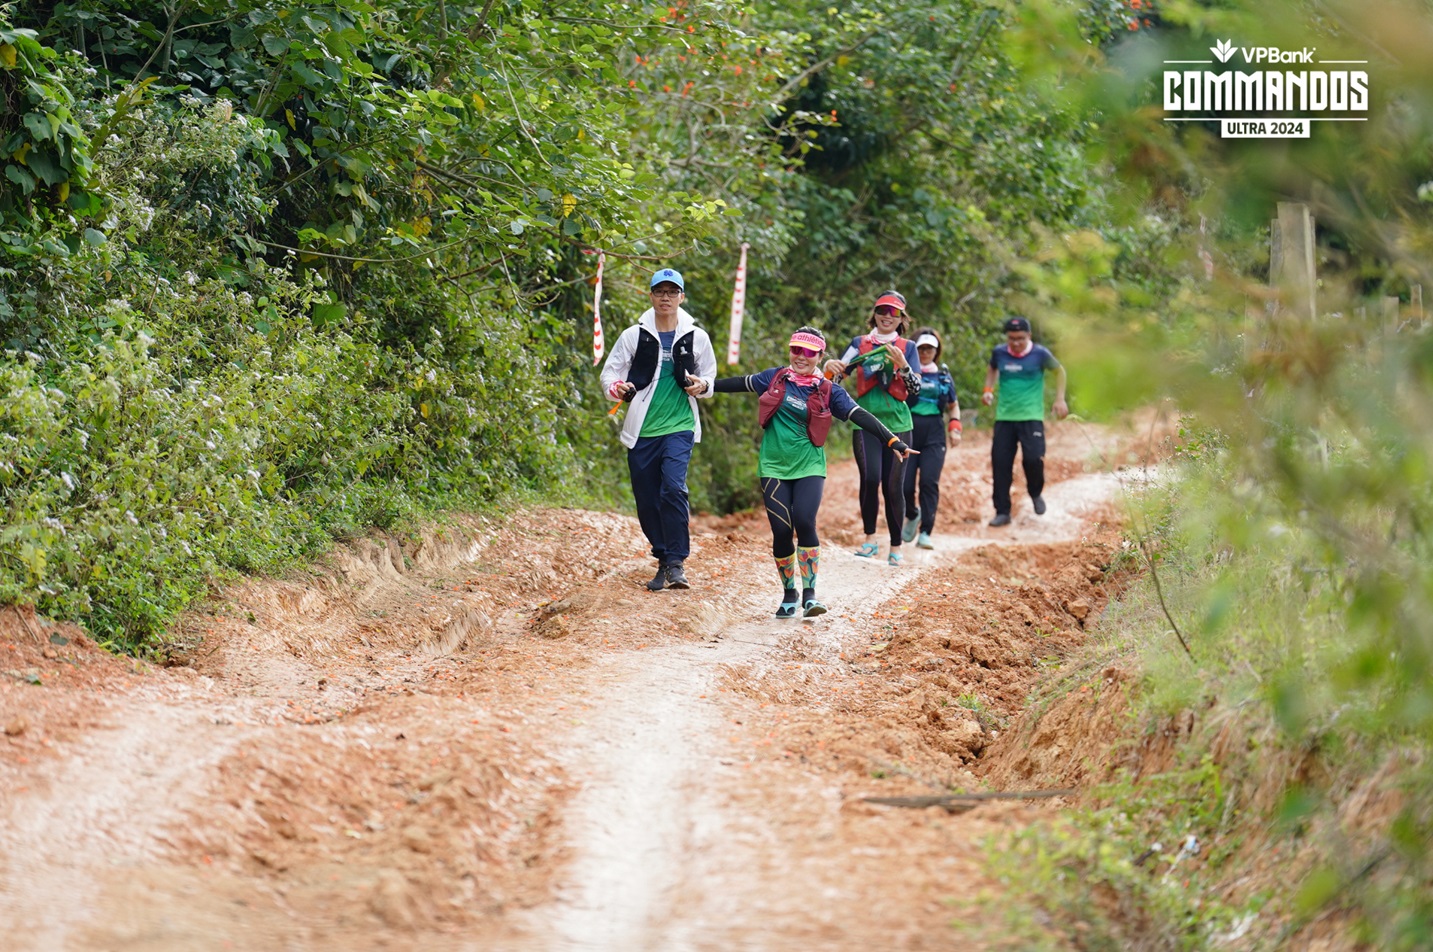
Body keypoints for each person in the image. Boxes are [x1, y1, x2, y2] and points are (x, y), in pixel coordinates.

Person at [692, 326, 915, 617]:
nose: (801, 356)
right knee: (782, 531)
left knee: (804, 521)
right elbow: (738, 383)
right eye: (796, 349)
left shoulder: (828, 390)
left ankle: (810, 595)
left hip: (809, 465)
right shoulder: (774, 378)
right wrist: (705, 385)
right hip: (773, 465)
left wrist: (892, 440)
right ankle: (789, 594)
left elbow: (860, 414)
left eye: (809, 352)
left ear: (820, 356)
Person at [600, 267, 717, 590]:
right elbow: (610, 375)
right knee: (648, 499)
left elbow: (709, 376)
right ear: (650, 296)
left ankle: (677, 561)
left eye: (672, 292)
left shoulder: (697, 336)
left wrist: (700, 384)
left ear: (682, 297)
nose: (666, 297)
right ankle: (664, 557)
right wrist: (618, 389)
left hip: (680, 426)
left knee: (673, 487)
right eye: (659, 291)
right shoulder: (633, 335)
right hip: (642, 429)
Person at [822, 291, 922, 565]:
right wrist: (829, 368)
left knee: (893, 486)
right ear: (874, 313)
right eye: (883, 310)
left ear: (902, 318)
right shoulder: (859, 344)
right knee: (869, 479)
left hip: (899, 424)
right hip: (865, 423)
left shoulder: (908, 347)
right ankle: (869, 540)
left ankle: (896, 546)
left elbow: (916, 389)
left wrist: (903, 367)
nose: (887, 317)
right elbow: (835, 379)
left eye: (894, 313)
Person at [981, 315, 1068, 527]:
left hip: (1032, 418)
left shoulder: (1040, 354)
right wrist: (988, 390)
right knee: (1001, 464)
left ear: (1029, 335)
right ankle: (1002, 511)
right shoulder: (999, 353)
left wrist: (1059, 399)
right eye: (1012, 338)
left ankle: (1035, 492)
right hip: (1005, 418)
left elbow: (1060, 372)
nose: (1016, 343)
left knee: (1034, 459)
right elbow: (992, 368)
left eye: (1020, 338)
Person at [901, 328, 961, 549]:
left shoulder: (943, 377)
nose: (925, 352)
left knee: (929, 482)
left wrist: (955, 427)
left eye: (930, 348)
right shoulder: (906, 373)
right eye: (921, 348)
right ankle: (912, 513)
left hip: (934, 433)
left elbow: (953, 407)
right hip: (908, 429)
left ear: (936, 351)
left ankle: (926, 531)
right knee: (905, 484)